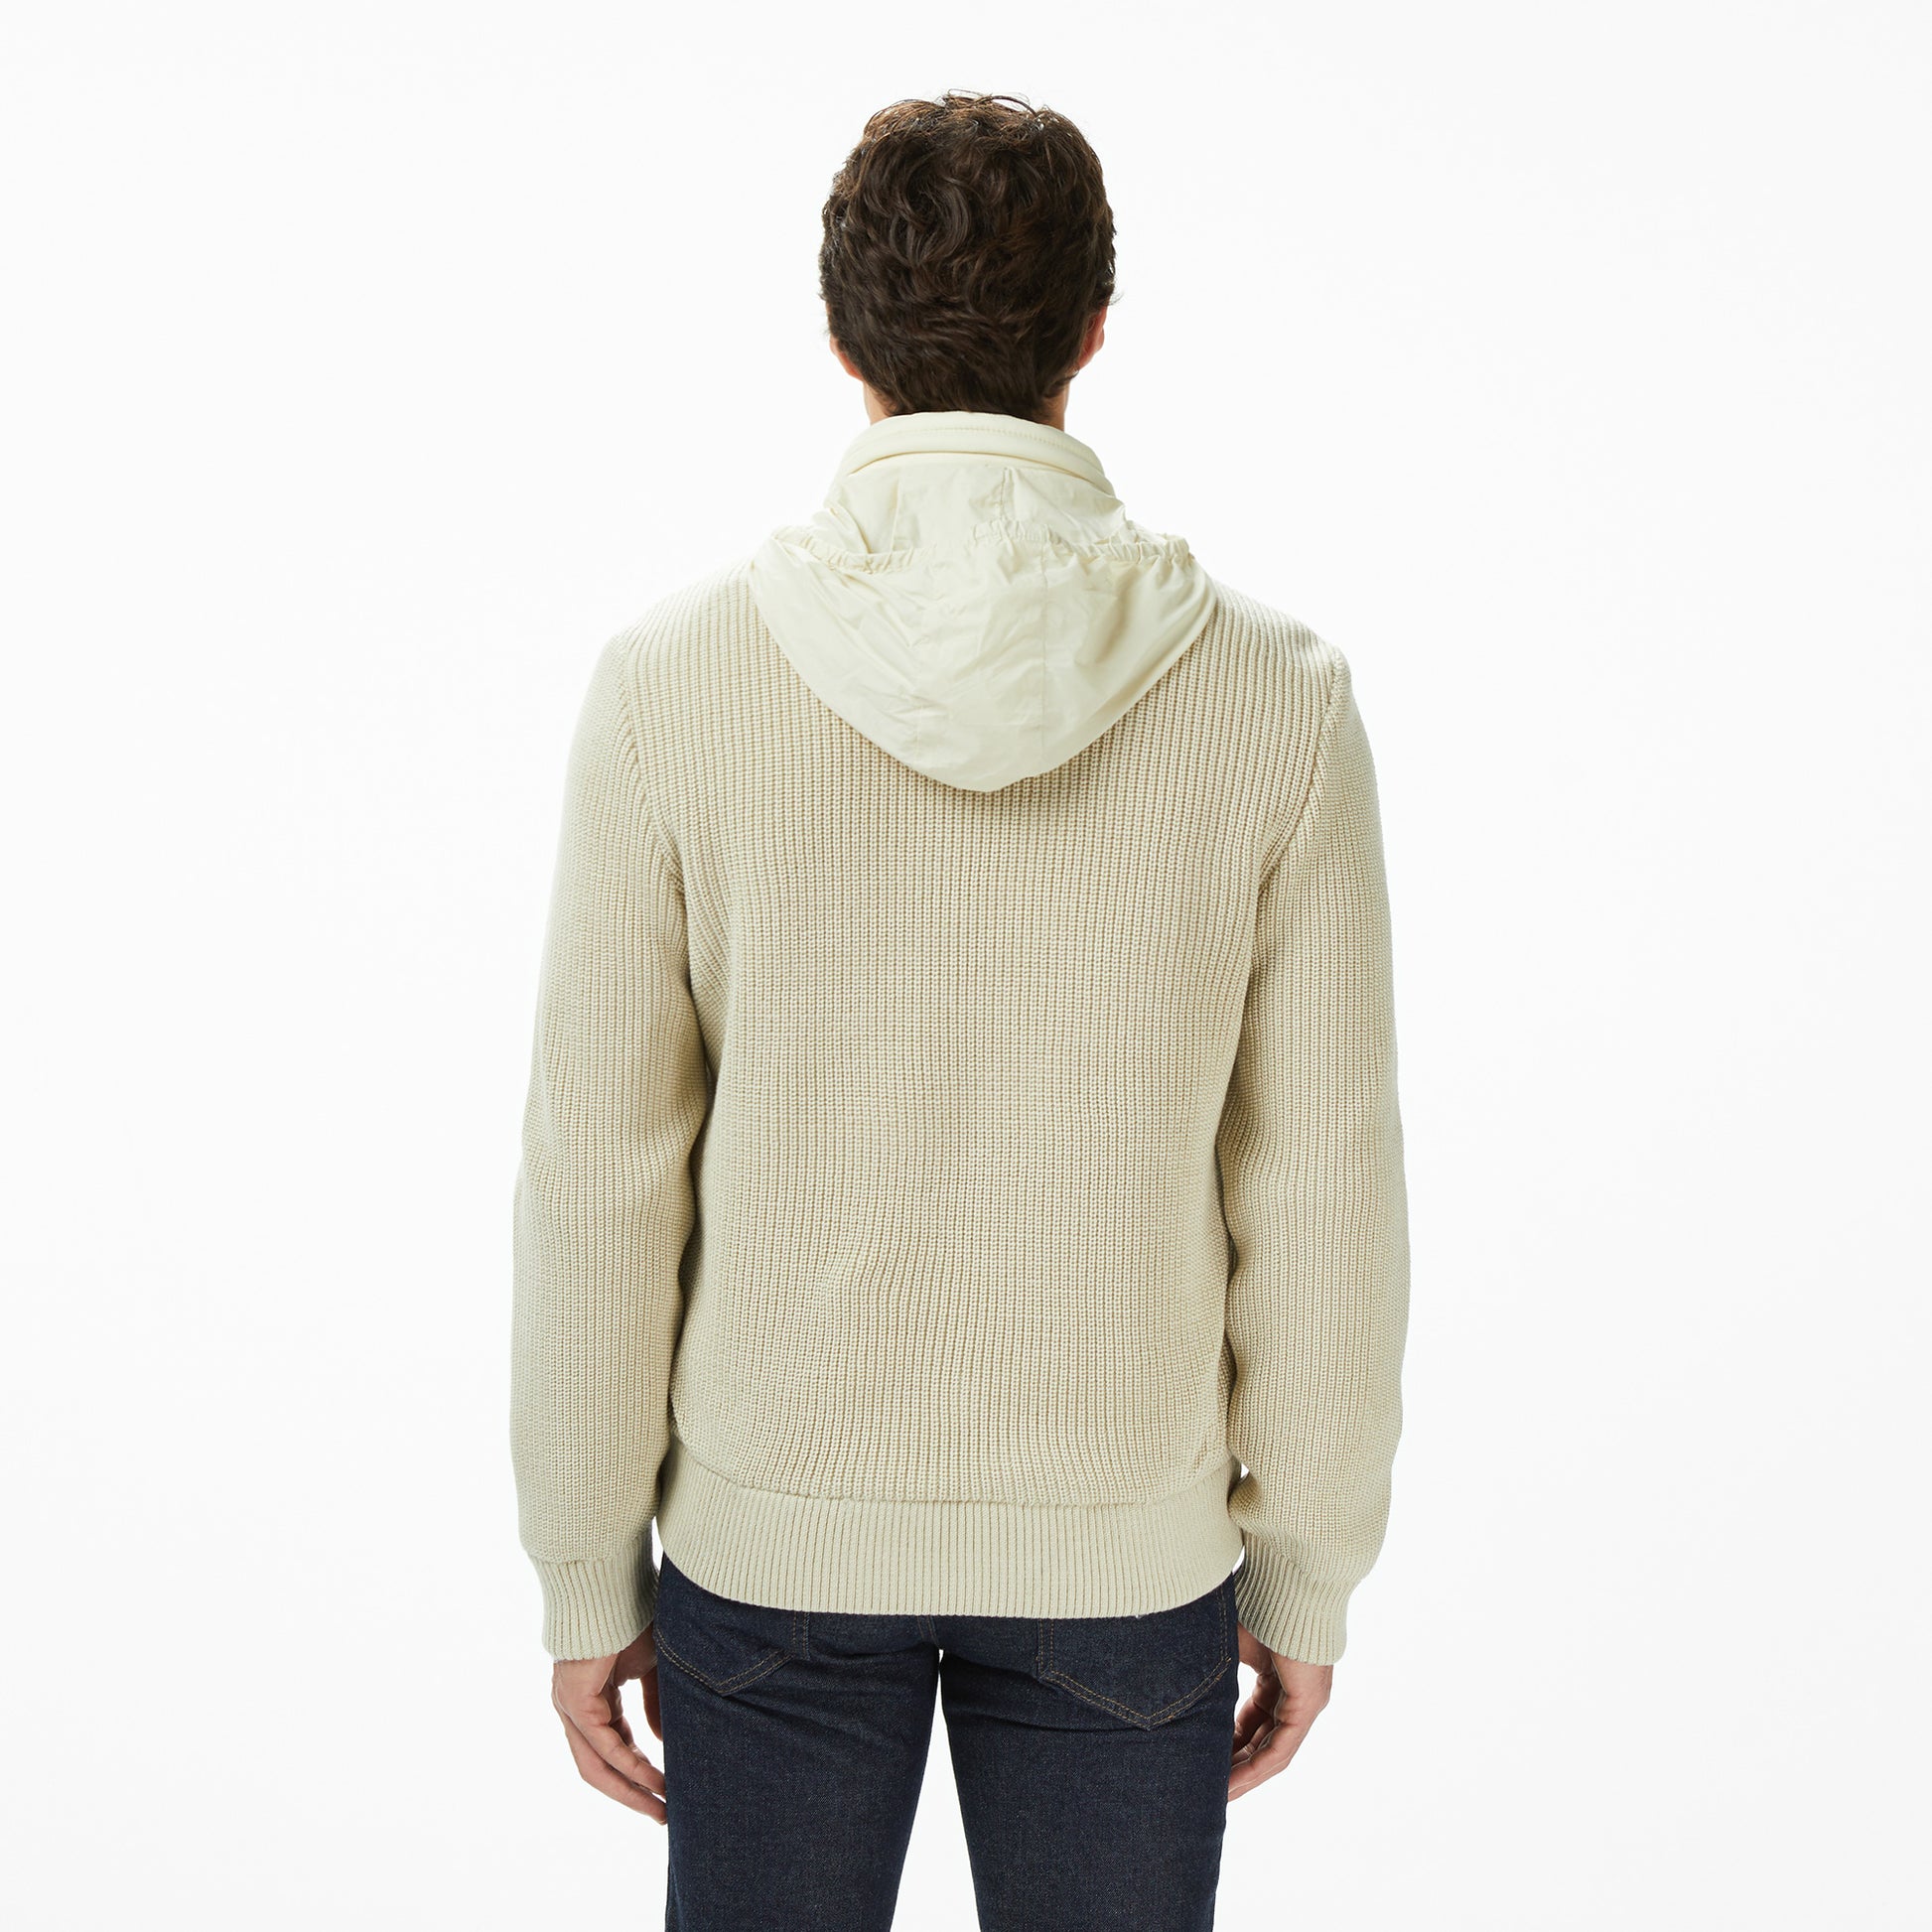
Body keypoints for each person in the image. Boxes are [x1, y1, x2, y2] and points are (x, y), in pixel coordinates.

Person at [510, 89, 1411, 1932]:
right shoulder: (1274, 698)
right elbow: (1318, 1185)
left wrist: (584, 1569)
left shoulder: (673, 683)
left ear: (842, 342)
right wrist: (1307, 1567)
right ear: (1092, 331)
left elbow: (600, 1178)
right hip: (1124, 1548)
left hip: (772, 1529)